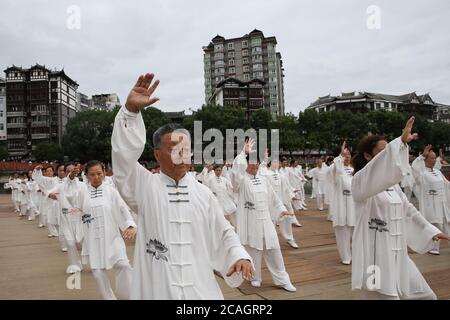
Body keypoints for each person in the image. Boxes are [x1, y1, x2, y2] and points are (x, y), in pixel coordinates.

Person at [111, 72, 253, 300]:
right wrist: (130, 112)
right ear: (157, 155)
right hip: (159, 288)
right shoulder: (145, 187)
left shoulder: (203, 194)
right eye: (174, 149)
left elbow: (223, 231)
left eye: (186, 149)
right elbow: (123, 160)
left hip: (200, 288)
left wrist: (239, 255)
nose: (182, 155)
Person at [351, 117, 450, 300]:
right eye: (383, 152)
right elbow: (372, 173)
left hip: (399, 256)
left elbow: (408, 210)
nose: (390, 156)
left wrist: (430, 230)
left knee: (427, 296)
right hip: (375, 261)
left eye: (390, 151)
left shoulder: (394, 187)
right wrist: (401, 142)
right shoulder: (359, 183)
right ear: (367, 156)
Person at [231, 138, 296, 291]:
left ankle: (283, 279)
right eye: (251, 162)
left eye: (256, 162)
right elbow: (235, 174)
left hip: (266, 222)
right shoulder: (241, 181)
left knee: (274, 250)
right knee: (253, 250)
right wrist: (242, 153)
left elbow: (274, 198)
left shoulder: (263, 179)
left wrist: (281, 209)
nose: (254, 165)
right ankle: (255, 277)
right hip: (251, 222)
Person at [73, 160, 136, 300]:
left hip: (112, 238)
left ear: (104, 173)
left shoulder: (111, 192)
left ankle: (129, 296)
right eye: (92, 174)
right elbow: (77, 211)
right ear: (86, 176)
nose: (96, 177)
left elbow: (123, 209)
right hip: (92, 240)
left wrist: (130, 225)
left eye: (99, 174)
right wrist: (78, 224)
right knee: (98, 273)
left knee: (124, 265)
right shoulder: (82, 193)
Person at [412, 144, 450, 255]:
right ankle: (434, 248)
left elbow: (446, 185)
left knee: (447, 225)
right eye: (431, 158)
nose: (434, 160)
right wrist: (421, 156)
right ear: (426, 159)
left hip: (442, 204)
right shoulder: (422, 174)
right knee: (435, 227)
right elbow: (414, 167)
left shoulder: (438, 172)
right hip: (431, 206)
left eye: (435, 158)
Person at [328, 142, 355, 265]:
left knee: (355, 231)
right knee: (342, 231)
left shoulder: (355, 169)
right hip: (340, 205)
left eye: (348, 154)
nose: (347, 156)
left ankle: (356, 254)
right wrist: (340, 156)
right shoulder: (335, 169)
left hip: (353, 205)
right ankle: (345, 256)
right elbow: (333, 171)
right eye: (344, 154)